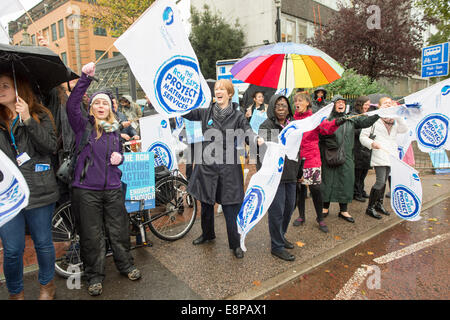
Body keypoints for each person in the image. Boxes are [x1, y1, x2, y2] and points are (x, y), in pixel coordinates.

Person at [66, 62, 141, 296]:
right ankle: (95, 277)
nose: (100, 106)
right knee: (91, 235)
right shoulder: (83, 126)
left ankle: (126, 265)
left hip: (113, 189)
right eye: (97, 102)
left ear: (110, 108)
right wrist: (85, 79)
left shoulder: (115, 130)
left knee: (119, 230)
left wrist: (121, 159)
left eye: (105, 103)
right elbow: (71, 105)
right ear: (91, 107)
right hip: (86, 190)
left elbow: (118, 159)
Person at [182, 79, 264, 259]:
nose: (218, 91)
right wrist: (172, 103)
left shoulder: (238, 116)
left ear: (229, 94)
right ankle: (207, 234)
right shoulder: (205, 113)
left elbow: (247, 130)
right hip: (207, 166)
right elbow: (185, 113)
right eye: (216, 89)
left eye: (222, 89)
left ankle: (235, 244)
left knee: (230, 206)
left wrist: (256, 139)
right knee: (206, 203)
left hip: (228, 167)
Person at [0, 72, 59, 300]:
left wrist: (27, 119)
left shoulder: (39, 114)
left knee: (43, 242)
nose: (0, 89)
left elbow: (49, 146)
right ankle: (16, 292)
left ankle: (47, 285)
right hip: (7, 194)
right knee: (13, 249)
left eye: (5, 85)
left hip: (39, 190)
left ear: (18, 88)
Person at [319, 95, 379, 223]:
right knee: (327, 181)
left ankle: (343, 210)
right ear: (333, 105)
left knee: (345, 182)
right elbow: (320, 134)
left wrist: (379, 113)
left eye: (343, 102)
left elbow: (365, 122)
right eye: (338, 102)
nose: (341, 104)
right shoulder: (326, 119)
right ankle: (325, 207)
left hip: (347, 157)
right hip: (329, 156)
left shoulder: (350, 118)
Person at [291, 93, 344, 233]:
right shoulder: (292, 119)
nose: (297, 103)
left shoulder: (313, 118)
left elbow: (326, 128)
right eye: (295, 100)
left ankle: (320, 218)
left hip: (312, 158)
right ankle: (301, 216)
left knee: (315, 189)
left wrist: (336, 122)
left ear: (308, 103)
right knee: (300, 190)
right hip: (296, 160)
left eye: (300, 100)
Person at [258, 94, 299, 261]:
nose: (281, 109)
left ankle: (280, 236)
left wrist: (300, 171)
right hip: (275, 177)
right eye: (278, 105)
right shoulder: (266, 126)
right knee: (277, 212)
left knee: (289, 208)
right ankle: (277, 246)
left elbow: (298, 149)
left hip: (291, 174)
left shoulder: (293, 125)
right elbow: (261, 154)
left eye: (284, 105)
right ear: (273, 108)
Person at [360, 97, 408, 219]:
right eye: (385, 103)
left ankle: (379, 204)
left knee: (385, 181)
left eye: (390, 103)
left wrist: (397, 114)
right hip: (379, 152)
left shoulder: (394, 120)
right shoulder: (374, 119)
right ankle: (370, 207)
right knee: (380, 181)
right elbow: (363, 137)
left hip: (391, 154)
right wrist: (372, 144)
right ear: (379, 106)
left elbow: (404, 129)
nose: (388, 104)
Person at [351, 96, 372, 202]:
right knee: (357, 172)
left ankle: (361, 190)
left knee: (364, 171)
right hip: (357, 147)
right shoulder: (354, 115)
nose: (367, 107)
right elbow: (352, 130)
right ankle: (356, 192)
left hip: (366, 148)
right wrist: (364, 133)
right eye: (366, 104)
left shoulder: (366, 114)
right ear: (360, 104)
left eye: (369, 105)